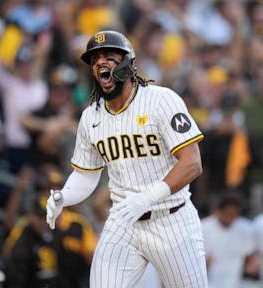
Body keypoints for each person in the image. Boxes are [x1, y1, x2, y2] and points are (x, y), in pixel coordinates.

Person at [46, 30, 208, 288]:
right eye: (95, 59)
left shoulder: (161, 100)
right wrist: (64, 196)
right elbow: (86, 175)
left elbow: (191, 163)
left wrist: (147, 198)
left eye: (109, 56)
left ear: (128, 63)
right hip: (123, 220)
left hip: (172, 219)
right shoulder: (91, 117)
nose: (100, 62)